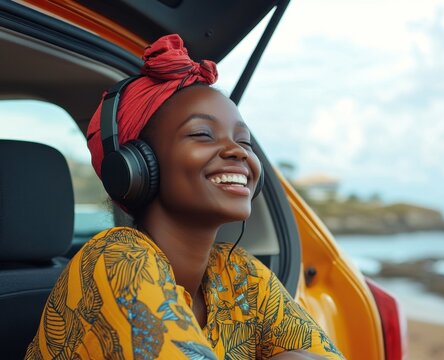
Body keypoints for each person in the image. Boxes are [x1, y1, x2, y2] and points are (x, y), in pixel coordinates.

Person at [25, 34, 344, 360]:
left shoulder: (239, 274)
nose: (236, 151)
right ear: (137, 166)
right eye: (202, 134)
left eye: (244, 141)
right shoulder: (116, 259)